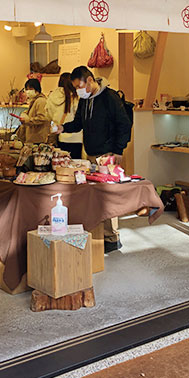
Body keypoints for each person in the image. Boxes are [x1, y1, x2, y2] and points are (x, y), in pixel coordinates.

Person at [55, 66, 132, 252]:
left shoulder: (110, 97)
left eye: (79, 86)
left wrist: (119, 150)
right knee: (94, 196)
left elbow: (124, 124)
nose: (78, 91)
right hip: (89, 153)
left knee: (107, 196)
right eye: (75, 88)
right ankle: (98, 234)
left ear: (90, 80)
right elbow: (79, 123)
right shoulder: (85, 100)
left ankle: (112, 238)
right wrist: (63, 128)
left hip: (108, 154)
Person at [45, 72, 82, 159]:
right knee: (74, 164)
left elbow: (48, 115)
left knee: (60, 162)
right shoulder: (76, 96)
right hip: (76, 137)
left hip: (59, 135)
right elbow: (80, 118)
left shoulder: (53, 96)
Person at [17, 78, 50, 144]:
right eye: (27, 89)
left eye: (30, 89)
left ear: (37, 89)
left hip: (38, 138)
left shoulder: (41, 101)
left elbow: (42, 118)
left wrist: (27, 121)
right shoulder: (34, 101)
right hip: (32, 138)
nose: (28, 91)